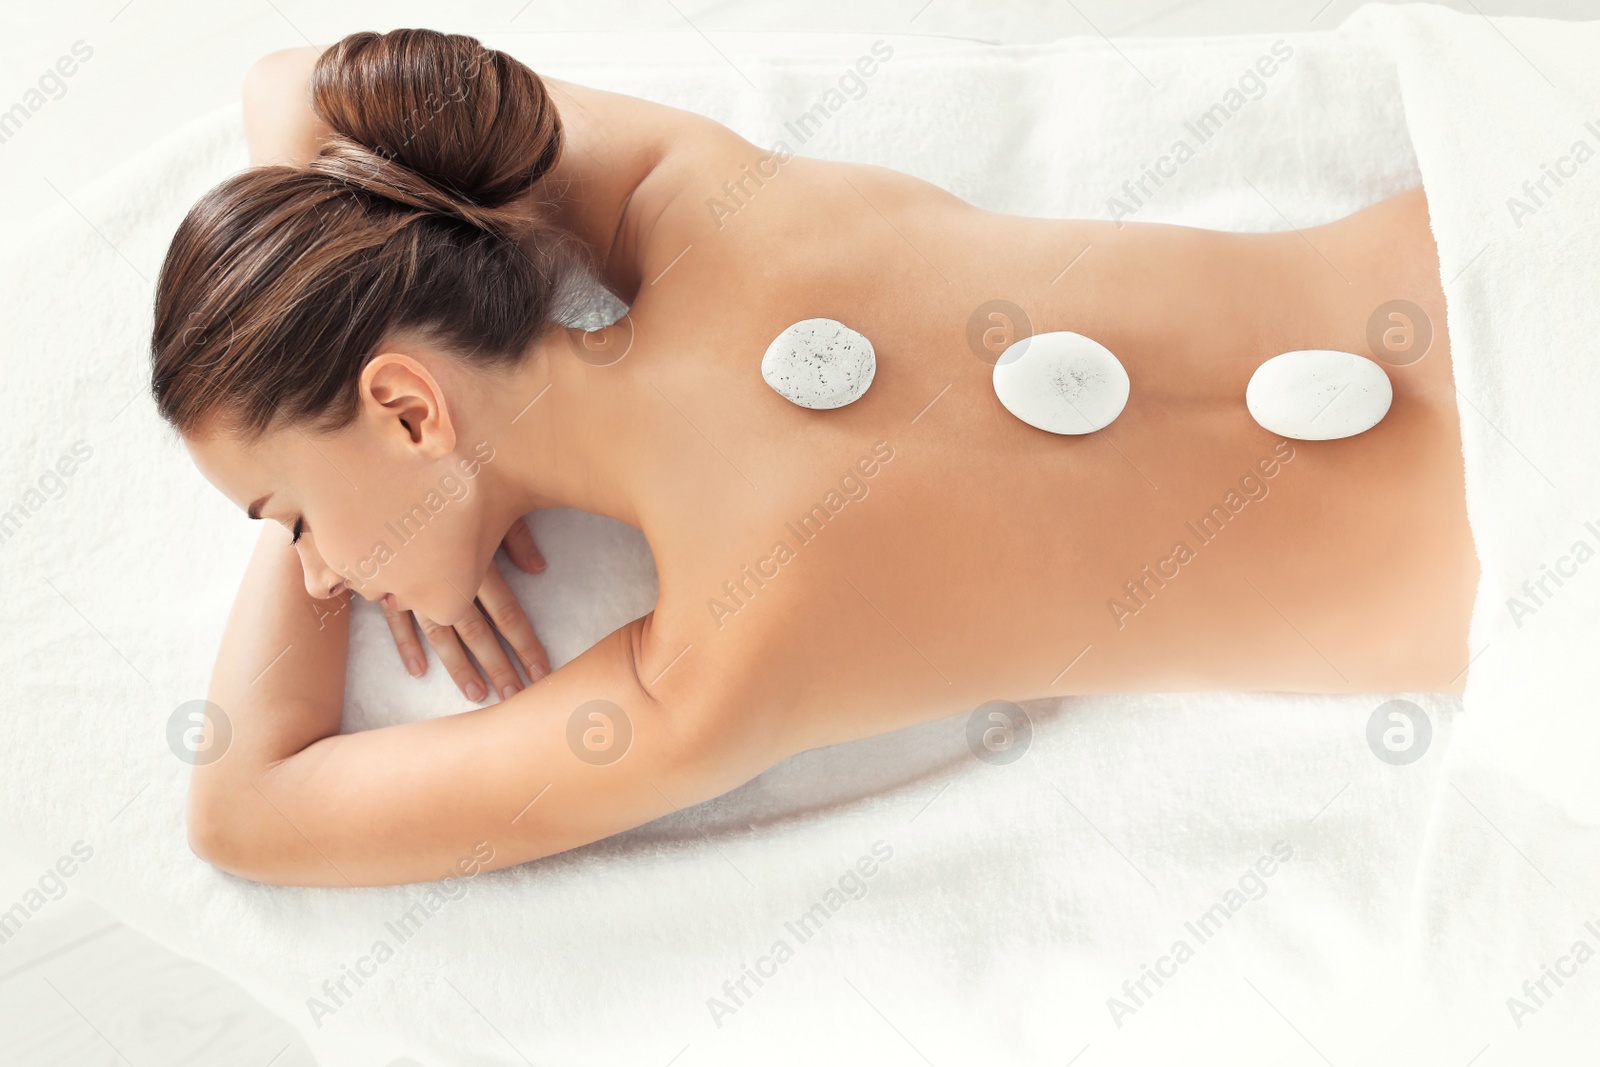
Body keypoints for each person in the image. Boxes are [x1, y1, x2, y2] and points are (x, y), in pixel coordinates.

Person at [151, 29, 1478, 887]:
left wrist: (424, 503)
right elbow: (292, 83)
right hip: (1502, 249)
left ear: (407, 409)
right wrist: (350, 375)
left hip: (1527, 541)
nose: (319, 579)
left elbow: (248, 811)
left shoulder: (717, 668)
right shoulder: (695, 203)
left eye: (288, 520)